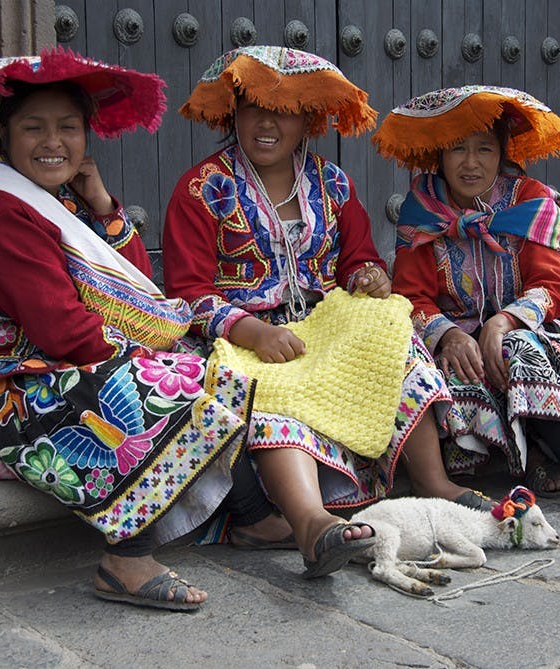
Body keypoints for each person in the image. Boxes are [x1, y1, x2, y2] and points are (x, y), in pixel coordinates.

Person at [0, 48, 291, 611]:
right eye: (33, 127)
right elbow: (63, 329)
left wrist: (101, 203)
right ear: (3, 136)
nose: (52, 142)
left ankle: (253, 517)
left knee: (203, 367)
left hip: (38, 371)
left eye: (68, 128)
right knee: (153, 383)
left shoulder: (55, 200)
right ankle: (126, 559)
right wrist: (152, 355)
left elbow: (136, 280)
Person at [163, 46, 490, 578]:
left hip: (321, 324)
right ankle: (312, 524)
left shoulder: (332, 183)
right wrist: (251, 330)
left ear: (309, 120)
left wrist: (369, 277)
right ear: (232, 114)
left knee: (392, 326)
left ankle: (432, 480)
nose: (267, 122)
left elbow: (356, 258)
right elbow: (187, 292)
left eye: (284, 109)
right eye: (253, 108)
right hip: (241, 334)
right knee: (273, 386)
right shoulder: (203, 189)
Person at [374, 86, 560, 521]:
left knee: (515, 349)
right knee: (430, 367)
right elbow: (412, 294)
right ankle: (532, 459)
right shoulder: (422, 208)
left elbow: (549, 287)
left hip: (533, 327)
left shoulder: (528, 199)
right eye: (457, 149)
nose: (470, 162)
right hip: (455, 332)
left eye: (484, 149)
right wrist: (448, 336)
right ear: (439, 156)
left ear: (502, 152)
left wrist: (502, 323)